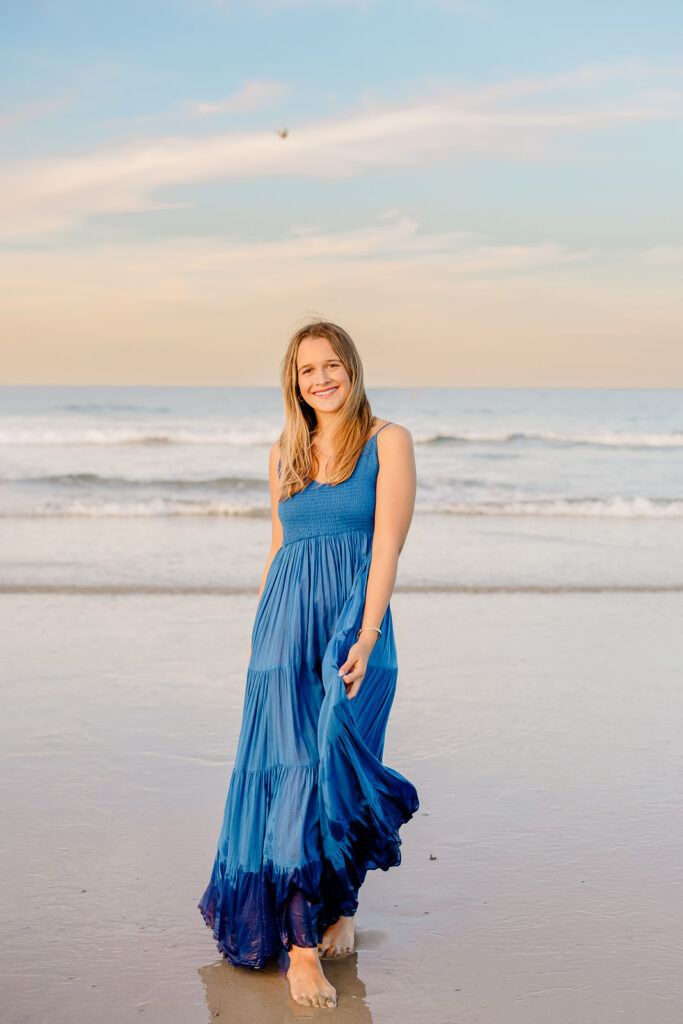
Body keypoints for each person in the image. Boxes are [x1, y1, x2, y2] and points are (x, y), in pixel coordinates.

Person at [197, 320, 419, 1009]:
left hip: (355, 627)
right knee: (291, 777)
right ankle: (299, 950)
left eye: (330, 365)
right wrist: (261, 644)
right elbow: (277, 550)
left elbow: (385, 548)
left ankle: (337, 903)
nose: (319, 379)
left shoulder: (389, 442)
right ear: (292, 382)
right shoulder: (283, 452)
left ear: (351, 369)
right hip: (282, 635)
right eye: (305, 370)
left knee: (341, 773)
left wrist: (366, 631)